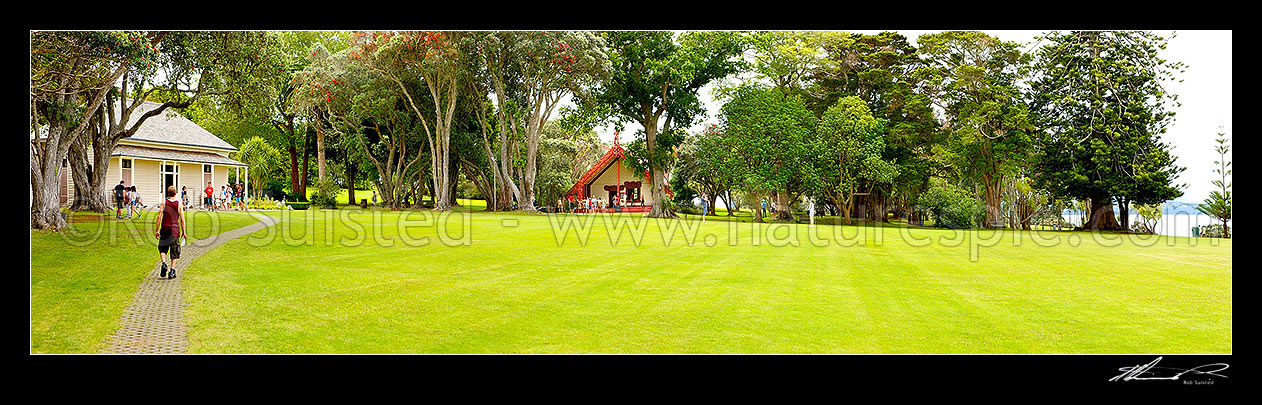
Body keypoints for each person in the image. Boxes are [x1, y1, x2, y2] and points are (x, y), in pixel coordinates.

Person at [154, 186, 186, 279]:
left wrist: (157, 230)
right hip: (175, 230)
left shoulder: (164, 202)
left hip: (165, 228)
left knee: (162, 247)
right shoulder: (179, 204)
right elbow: (182, 220)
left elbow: (159, 217)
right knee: (174, 250)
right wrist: (184, 232)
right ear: (175, 193)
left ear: (168, 193)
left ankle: (164, 263)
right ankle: (172, 270)